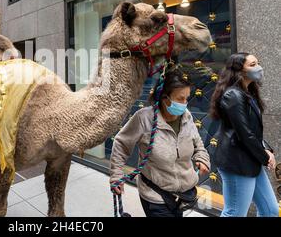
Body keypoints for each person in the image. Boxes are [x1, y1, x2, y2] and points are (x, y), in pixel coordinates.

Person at [110, 68, 210, 217]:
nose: (185, 104)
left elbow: (197, 143)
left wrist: (202, 157)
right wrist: (116, 175)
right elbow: (121, 144)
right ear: (164, 98)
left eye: (187, 98)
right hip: (155, 197)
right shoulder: (143, 118)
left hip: (183, 195)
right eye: (180, 99)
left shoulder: (186, 116)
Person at [209, 53, 278, 217]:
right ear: (240, 70)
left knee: (270, 211)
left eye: (258, 63)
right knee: (234, 213)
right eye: (253, 65)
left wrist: (265, 150)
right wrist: (265, 156)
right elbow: (244, 133)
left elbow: (253, 130)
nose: (259, 67)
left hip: (250, 159)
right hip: (237, 163)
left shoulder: (247, 92)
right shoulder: (233, 95)